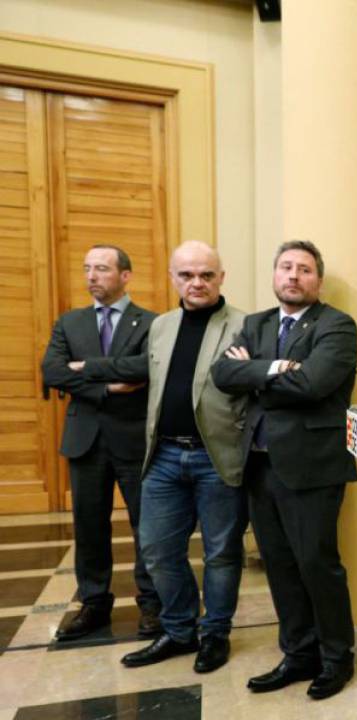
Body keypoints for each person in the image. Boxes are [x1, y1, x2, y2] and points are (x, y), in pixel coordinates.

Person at [80, 241, 249, 673]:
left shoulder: (246, 327)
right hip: (165, 457)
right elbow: (142, 373)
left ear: (221, 278)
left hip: (218, 458)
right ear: (173, 278)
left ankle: (215, 634)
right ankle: (178, 630)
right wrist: (87, 370)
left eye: (206, 275)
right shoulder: (162, 327)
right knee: (155, 548)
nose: (197, 283)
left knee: (222, 553)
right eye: (187, 275)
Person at [212, 240, 357, 700]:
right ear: (274, 275)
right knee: (277, 563)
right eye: (286, 267)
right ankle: (298, 653)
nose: (294, 276)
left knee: (317, 564)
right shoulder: (255, 324)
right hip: (259, 464)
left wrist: (253, 375)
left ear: (318, 279)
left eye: (305, 270)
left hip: (313, 466)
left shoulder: (336, 325)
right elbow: (222, 375)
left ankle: (337, 658)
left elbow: (314, 383)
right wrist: (276, 368)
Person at [40, 245, 161, 641]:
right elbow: (53, 371)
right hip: (85, 440)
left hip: (134, 438)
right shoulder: (69, 323)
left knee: (148, 525)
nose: (92, 276)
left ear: (125, 275)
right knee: (89, 526)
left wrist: (88, 369)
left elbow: (145, 367)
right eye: (87, 268)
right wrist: (109, 388)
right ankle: (94, 603)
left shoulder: (151, 323)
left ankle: (152, 603)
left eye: (102, 269)